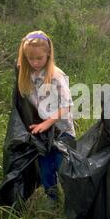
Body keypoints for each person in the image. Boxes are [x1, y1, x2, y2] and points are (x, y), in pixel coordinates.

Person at [17, 30, 75, 202]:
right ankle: (52, 198)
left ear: (48, 54)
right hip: (42, 132)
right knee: (45, 166)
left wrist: (48, 122)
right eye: (30, 59)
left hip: (61, 131)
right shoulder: (29, 74)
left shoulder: (56, 76)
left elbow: (67, 106)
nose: (35, 63)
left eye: (39, 59)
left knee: (62, 166)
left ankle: (73, 200)